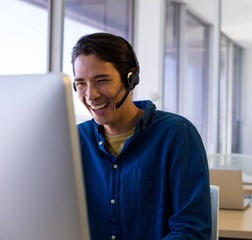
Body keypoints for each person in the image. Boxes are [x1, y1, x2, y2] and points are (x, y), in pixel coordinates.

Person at [71, 32, 212, 240]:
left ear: (131, 78)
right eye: (81, 83)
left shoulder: (177, 135)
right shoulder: (74, 141)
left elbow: (192, 230)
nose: (90, 95)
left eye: (101, 80)